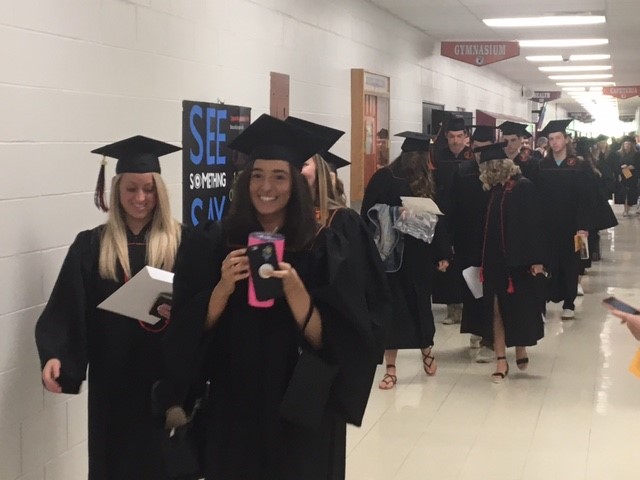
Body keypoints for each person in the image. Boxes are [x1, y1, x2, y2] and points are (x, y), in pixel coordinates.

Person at [160, 114, 382, 480]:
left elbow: (339, 342)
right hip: (233, 403)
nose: (267, 186)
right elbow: (188, 331)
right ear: (245, 180)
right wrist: (222, 288)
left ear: (295, 183)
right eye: (258, 174)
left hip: (301, 406)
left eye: (279, 176)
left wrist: (297, 292)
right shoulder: (213, 242)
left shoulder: (323, 246)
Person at [34, 136, 184, 479]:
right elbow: (69, 306)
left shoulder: (183, 243)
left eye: (148, 189)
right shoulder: (91, 246)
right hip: (112, 384)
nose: (140, 198)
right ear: (116, 190)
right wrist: (56, 355)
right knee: (112, 464)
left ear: (160, 190)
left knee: (165, 464)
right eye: (131, 188)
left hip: (165, 382)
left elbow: (202, 306)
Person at [361, 131, 450, 389]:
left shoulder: (428, 180)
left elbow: (439, 218)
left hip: (419, 256)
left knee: (421, 306)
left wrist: (442, 253)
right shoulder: (384, 178)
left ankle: (426, 351)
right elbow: (368, 213)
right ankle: (391, 367)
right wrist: (394, 213)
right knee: (393, 312)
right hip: (391, 256)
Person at [475, 143, 546, 382]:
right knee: (496, 309)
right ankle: (500, 360)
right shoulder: (492, 190)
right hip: (493, 259)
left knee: (519, 308)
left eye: (490, 167)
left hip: (519, 260)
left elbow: (536, 224)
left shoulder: (523, 187)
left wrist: (537, 260)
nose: (487, 172)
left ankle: (520, 347)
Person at [535, 120, 594, 320]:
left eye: (558, 138)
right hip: (548, 225)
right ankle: (542, 304)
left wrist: (583, 226)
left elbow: (585, 198)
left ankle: (569, 303)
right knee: (546, 263)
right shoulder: (542, 166)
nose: (554, 142)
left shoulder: (578, 165)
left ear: (566, 140)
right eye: (551, 139)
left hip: (572, 226)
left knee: (571, 264)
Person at [449, 127, 495, 361]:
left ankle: (492, 335)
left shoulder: (499, 173)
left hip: (495, 241)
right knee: (472, 288)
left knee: (492, 289)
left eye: (485, 149)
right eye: (476, 149)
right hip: (468, 240)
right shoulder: (463, 172)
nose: (479, 154)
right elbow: (452, 208)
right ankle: (476, 331)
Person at [432, 117, 474, 324]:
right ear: (446, 137)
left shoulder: (473, 158)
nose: (456, 141)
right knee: (446, 260)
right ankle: (452, 308)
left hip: (467, 216)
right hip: (445, 216)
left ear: (466, 137)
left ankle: (469, 305)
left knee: (467, 260)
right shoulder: (439, 158)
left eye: (459, 136)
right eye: (451, 137)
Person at [611, 136, 640, 216]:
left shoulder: (636, 154)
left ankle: (628, 208)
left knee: (630, 193)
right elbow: (615, 165)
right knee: (623, 193)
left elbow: (638, 165)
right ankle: (625, 209)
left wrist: (632, 167)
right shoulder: (618, 154)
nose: (627, 146)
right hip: (622, 175)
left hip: (632, 175)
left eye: (629, 144)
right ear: (623, 145)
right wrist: (621, 170)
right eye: (625, 144)